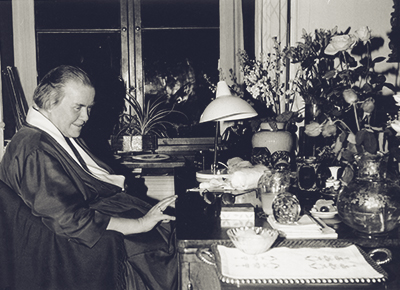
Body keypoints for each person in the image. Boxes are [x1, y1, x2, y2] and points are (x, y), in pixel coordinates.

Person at [0, 65, 178, 290]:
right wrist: (140, 224)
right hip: (68, 252)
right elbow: (70, 221)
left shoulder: (54, 135)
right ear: (49, 103)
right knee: (165, 250)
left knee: (170, 232)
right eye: (78, 107)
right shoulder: (35, 149)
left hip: (90, 229)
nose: (85, 116)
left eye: (89, 108)